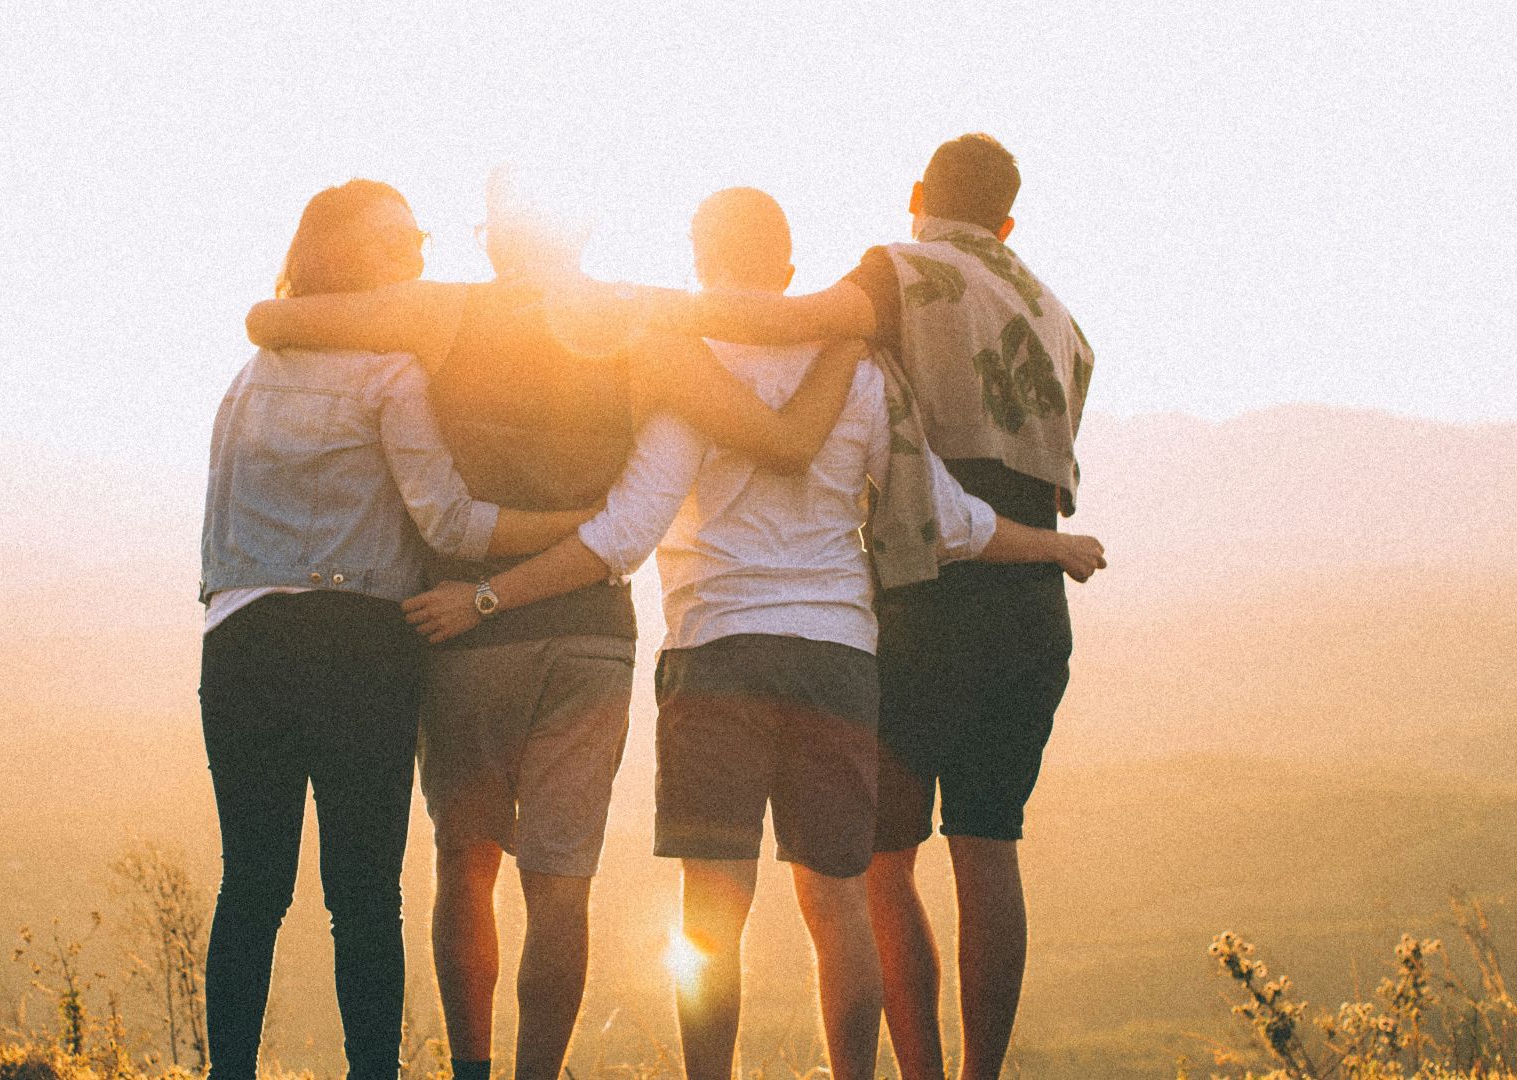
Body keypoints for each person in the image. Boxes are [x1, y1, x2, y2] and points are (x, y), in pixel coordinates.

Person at [402, 188, 1102, 1080]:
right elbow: (947, 519)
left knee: (712, 912)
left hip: (715, 652)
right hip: (839, 657)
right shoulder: (859, 368)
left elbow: (624, 533)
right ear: (787, 264)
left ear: (700, 261)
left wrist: (490, 597)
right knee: (838, 902)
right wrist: (1055, 545)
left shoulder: (687, 366)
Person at [241, 167, 862, 1080]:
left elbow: (270, 321)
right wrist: (850, 327)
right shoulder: (642, 323)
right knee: (560, 883)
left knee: (467, 865)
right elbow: (776, 433)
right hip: (591, 638)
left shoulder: (439, 311)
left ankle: (473, 1072)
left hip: (465, 628)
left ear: (495, 235)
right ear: (583, 230)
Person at [655, 135, 1098, 1080]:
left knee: (880, 867)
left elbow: (791, 323)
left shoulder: (901, 271)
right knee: (989, 850)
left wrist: (632, 311)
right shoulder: (1057, 314)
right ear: (1008, 220)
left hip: (925, 594)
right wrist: (1056, 546)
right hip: (1028, 597)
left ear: (916, 197)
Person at [198, 179, 598, 1080]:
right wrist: (576, 524)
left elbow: (221, 529)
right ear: (340, 254)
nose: (415, 253)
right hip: (357, 648)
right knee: (364, 894)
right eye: (393, 241)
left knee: (251, 885)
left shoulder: (247, 377)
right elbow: (451, 526)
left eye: (418, 234)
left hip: (240, 643)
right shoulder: (390, 373)